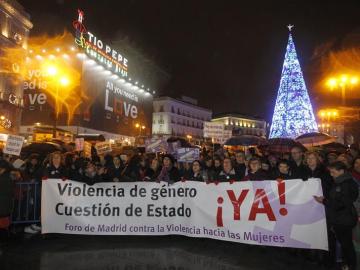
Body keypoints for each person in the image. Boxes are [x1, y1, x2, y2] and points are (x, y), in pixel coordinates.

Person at [314, 161, 358, 270]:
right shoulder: (341, 181)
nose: (331, 174)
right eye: (330, 172)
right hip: (341, 218)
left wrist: (324, 201)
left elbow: (341, 204)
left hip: (343, 219)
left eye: (333, 172)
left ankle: (350, 265)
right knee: (345, 243)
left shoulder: (346, 184)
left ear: (341, 171)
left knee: (346, 244)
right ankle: (348, 263)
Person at [0, 160, 13, 240]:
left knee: (3, 218)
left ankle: (4, 235)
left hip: (3, 202)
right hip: (5, 202)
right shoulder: (7, 176)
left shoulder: (5, 178)